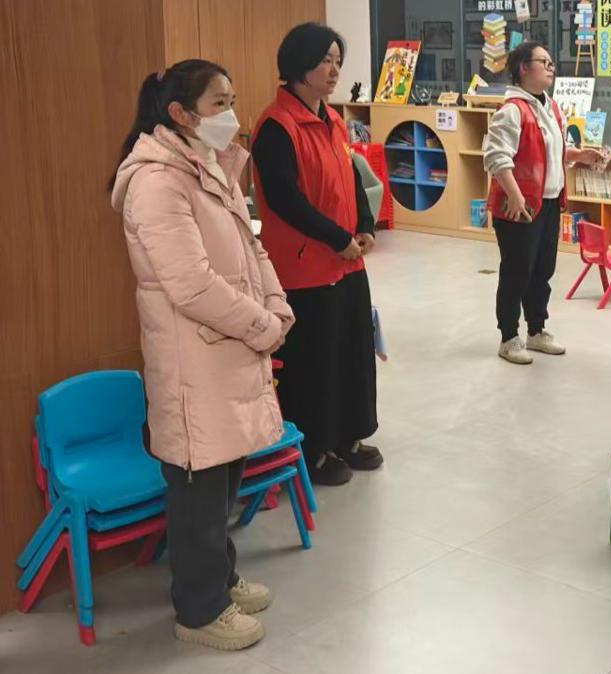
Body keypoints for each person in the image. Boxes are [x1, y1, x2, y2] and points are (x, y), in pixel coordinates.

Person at [110, 59, 288, 650]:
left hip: (230, 350)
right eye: (218, 104)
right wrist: (262, 326)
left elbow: (252, 248)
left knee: (224, 479)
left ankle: (221, 579)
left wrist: (276, 306)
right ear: (180, 114)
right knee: (198, 494)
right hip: (194, 362)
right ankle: (199, 611)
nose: (231, 114)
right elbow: (190, 285)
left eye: (231, 101)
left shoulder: (211, 164)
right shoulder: (157, 181)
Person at [251, 23, 381, 487]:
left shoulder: (332, 119)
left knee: (353, 352)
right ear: (298, 64)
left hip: (346, 261)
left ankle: (348, 435)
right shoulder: (276, 126)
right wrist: (336, 238)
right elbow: (285, 200)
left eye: (337, 61)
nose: (334, 69)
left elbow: (352, 177)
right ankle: (314, 446)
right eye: (325, 60)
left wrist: (364, 227)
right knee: (315, 362)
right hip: (305, 268)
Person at [483, 41, 604, 365]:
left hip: (548, 202)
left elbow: (551, 151)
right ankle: (509, 337)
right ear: (524, 68)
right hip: (520, 206)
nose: (551, 67)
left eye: (551, 62)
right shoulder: (512, 110)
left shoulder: (550, 107)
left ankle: (536, 331)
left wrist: (581, 155)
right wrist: (515, 194)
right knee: (517, 272)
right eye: (543, 62)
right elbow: (496, 157)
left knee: (542, 271)